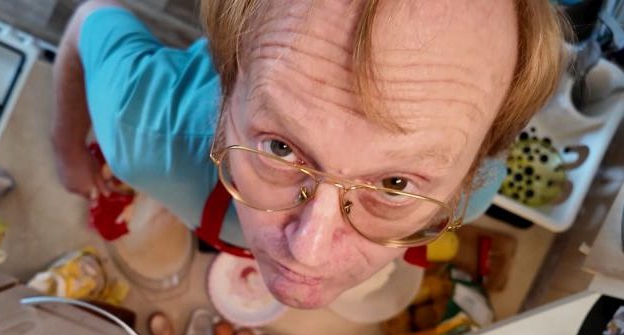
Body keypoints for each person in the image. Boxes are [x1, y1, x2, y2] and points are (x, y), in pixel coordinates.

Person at [52, 0, 566, 309]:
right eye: (279, 147)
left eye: (395, 184)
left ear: (469, 173)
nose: (308, 254)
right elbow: (89, 18)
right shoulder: (141, 128)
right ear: (225, 96)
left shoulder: (471, 195)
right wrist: (67, 146)